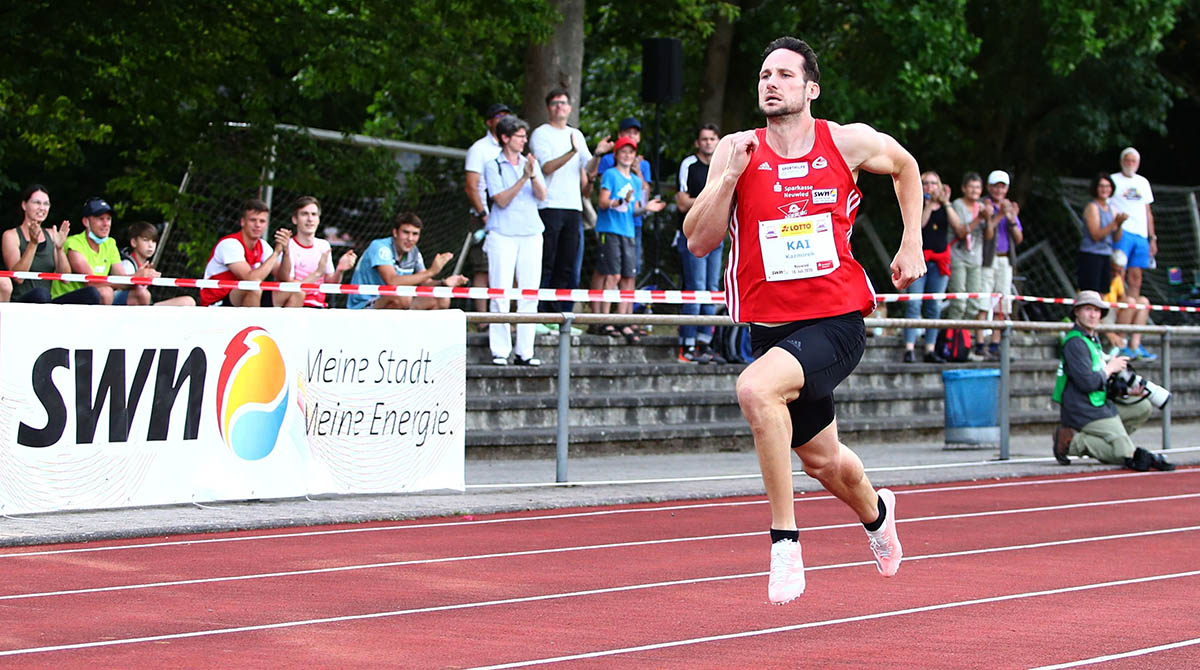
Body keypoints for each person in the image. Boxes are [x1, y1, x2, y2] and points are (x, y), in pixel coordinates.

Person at [683, 36, 921, 605]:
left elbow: (907, 166)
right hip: (771, 327)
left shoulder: (845, 141)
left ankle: (784, 542)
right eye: (765, 74)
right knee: (823, 462)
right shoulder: (737, 150)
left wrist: (911, 240)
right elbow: (698, 240)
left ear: (810, 88)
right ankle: (878, 514)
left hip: (836, 319)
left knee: (754, 389)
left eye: (786, 75)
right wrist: (727, 179)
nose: (771, 82)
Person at [1052, 290, 1173, 472]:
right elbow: (1088, 383)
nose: (1093, 315)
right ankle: (1072, 442)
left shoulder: (1092, 339)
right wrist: (1110, 368)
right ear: (1077, 312)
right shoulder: (1075, 343)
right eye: (1087, 309)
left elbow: (1100, 383)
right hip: (1084, 409)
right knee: (1125, 454)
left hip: (1100, 404)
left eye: (1096, 310)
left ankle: (1110, 438)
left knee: (1142, 407)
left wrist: (1125, 391)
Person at [529, 88, 613, 313]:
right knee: (548, 261)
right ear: (548, 108)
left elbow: (588, 168)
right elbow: (546, 167)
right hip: (549, 205)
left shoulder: (576, 134)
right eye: (555, 103)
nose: (560, 107)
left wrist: (598, 154)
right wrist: (571, 152)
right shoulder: (541, 133)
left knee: (567, 263)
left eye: (564, 103)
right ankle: (540, 311)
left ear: (570, 107)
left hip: (573, 207)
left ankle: (559, 313)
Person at [482, 116, 546, 365]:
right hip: (502, 232)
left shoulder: (530, 163)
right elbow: (500, 199)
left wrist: (531, 175)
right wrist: (522, 178)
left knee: (530, 292)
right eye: (519, 136)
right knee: (500, 291)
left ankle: (525, 351)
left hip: (531, 231)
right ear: (506, 138)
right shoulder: (492, 164)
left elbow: (542, 195)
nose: (524, 141)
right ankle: (500, 350)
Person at [590, 136, 666, 343]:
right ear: (616, 154)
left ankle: (624, 320)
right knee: (611, 275)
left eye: (631, 152)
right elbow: (603, 203)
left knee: (628, 277)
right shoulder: (610, 175)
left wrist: (646, 208)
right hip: (610, 229)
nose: (627, 155)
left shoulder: (634, 180)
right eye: (623, 151)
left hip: (628, 231)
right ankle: (605, 319)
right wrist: (621, 200)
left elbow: (632, 210)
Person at [675, 123, 726, 363]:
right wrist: (710, 199)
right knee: (695, 288)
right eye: (704, 139)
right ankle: (687, 345)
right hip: (693, 235)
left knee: (712, 289)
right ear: (698, 143)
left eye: (712, 139)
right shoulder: (689, 165)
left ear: (718, 141)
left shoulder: (724, 166)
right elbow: (683, 203)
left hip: (716, 235)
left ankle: (705, 343)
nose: (708, 143)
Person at [347, 212, 468, 310]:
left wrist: (444, 283)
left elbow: (425, 283)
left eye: (415, 234)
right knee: (402, 295)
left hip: (399, 300)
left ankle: (417, 338)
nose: (410, 238)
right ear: (395, 232)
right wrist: (431, 271)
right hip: (364, 306)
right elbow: (392, 281)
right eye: (406, 232)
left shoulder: (414, 252)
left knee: (442, 298)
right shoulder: (380, 247)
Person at [2, 185, 100, 304]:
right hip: (23, 301)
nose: (42, 208)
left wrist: (59, 249)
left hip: (47, 300)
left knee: (92, 293)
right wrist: (33, 244)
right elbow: (18, 278)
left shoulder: (50, 234)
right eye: (37, 203)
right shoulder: (11, 235)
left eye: (46, 204)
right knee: (41, 294)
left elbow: (65, 279)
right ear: (24, 205)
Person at [54, 197, 157, 306]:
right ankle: (103, 323)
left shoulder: (110, 243)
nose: (106, 223)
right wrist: (134, 278)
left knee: (142, 294)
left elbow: (121, 279)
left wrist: (140, 277)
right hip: (67, 300)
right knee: (106, 292)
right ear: (86, 222)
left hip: (98, 297)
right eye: (100, 218)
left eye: (108, 219)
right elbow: (91, 282)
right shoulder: (74, 243)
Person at [902, 171, 960, 363]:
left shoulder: (946, 206)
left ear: (941, 186)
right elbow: (918, 225)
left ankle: (930, 349)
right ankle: (909, 348)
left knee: (934, 305)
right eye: (925, 183)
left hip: (940, 262)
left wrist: (946, 203)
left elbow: (959, 228)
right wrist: (927, 205)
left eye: (934, 183)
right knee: (914, 303)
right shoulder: (916, 203)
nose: (930, 187)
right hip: (919, 259)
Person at [463, 103, 512, 315]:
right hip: (485, 216)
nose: (504, 119)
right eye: (499, 115)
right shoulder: (479, 149)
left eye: (507, 116)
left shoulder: (510, 147)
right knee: (483, 269)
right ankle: (482, 318)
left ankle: (505, 316)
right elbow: (471, 186)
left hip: (508, 218)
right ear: (489, 121)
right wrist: (484, 214)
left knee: (507, 269)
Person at [1108, 147, 1157, 359]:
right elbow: (1107, 206)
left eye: (1134, 160)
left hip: (1140, 234)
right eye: (1127, 160)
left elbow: (1147, 211)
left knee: (1137, 276)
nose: (1130, 163)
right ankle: (1119, 313)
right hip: (1123, 232)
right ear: (1121, 161)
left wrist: (1152, 237)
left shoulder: (1143, 183)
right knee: (1118, 271)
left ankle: (1132, 308)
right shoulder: (1113, 180)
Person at [591, 117, 652, 282]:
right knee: (607, 272)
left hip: (632, 225)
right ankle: (599, 308)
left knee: (629, 275)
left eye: (635, 133)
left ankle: (625, 309)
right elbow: (602, 194)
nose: (632, 136)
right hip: (611, 225)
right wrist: (620, 201)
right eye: (628, 132)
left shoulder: (642, 166)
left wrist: (638, 172)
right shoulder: (609, 165)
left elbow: (644, 192)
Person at [200, 198, 291, 307]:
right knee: (253, 286)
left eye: (262, 221)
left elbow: (284, 278)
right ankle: (252, 323)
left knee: (294, 289)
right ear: (243, 222)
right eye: (253, 220)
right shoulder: (230, 244)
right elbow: (250, 279)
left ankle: (280, 324)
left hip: (244, 295)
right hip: (217, 302)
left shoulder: (262, 245)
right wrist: (276, 253)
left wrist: (286, 252)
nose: (257, 225)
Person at [274, 196, 357, 308]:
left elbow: (330, 284)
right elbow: (291, 288)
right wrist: (318, 273)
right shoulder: (287, 245)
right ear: (294, 219)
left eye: (314, 214)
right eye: (304, 214)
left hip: (319, 307)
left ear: (318, 219)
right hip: (295, 306)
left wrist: (340, 270)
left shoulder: (323, 245)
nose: (310, 219)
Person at [980, 170, 1023, 360]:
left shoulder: (1010, 208)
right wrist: (998, 216)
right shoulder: (984, 206)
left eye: (1003, 186)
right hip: (987, 259)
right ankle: (980, 341)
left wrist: (1012, 219)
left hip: (1005, 259)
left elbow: (1019, 238)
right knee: (982, 300)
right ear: (989, 188)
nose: (999, 190)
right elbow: (986, 234)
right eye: (996, 186)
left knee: (1003, 302)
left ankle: (996, 343)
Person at [945, 172, 986, 355]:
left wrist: (994, 218)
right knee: (959, 301)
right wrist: (981, 218)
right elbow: (961, 232)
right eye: (971, 186)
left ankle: (964, 345)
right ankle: (951, 342)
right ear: (964, 188)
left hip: (976, 258)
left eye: (978, 187)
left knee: (973, 305)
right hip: (958, 257)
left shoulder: (982, 207)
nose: (975, 190)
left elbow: (989, 235)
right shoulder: (957, 205)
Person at [117, 222, 196, 306]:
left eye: (153, 241)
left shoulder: (147, 265)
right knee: (143, 294)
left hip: (145, 305)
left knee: (189, 302)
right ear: (134, 242)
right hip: (127, 307)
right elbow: (120, 288)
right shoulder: (127, 264)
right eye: (145, 240)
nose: (150, 245)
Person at [1103, 250, 1157, 361]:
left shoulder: (1117, 279)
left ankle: (1135, 345)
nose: (1116, 274)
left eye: (1119, 271)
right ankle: (1120, 344)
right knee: (1130, 302)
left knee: (1143, 302)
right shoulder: (1099, 277)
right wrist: (1110, 335)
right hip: (1104, 316)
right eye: (1113, 270)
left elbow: (1122, 299)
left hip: (1114, 315)